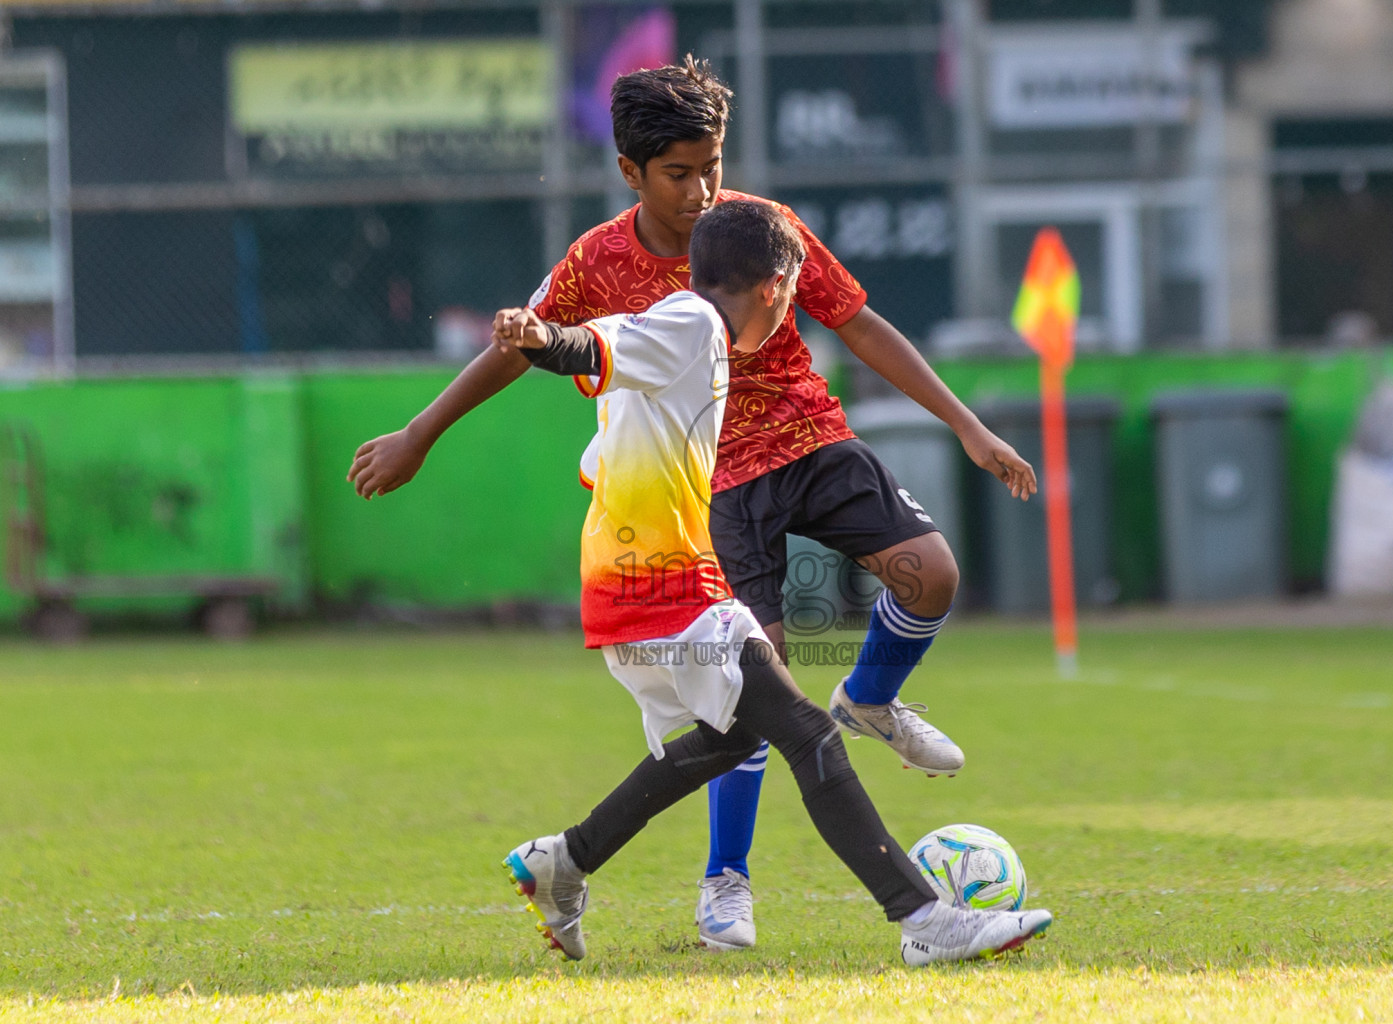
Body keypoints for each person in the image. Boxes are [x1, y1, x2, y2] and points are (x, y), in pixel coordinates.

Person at [346, 57, 1037, 953]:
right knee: (786, 722)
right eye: (680, 172)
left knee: (777, 698)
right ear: (631, 173)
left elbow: (851, 317)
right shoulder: (658, 297)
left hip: (739, 492)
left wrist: (965, 426)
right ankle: (859, 906)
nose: (704, 189)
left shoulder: (753, 237)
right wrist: (435, 420)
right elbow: (577, 344)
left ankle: (573, 856)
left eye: (713, 164)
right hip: (680, 535)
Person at [488, 199, 1051, 966]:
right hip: (658, 586)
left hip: (662, 579)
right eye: (791, 297)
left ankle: (567, 859)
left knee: (739, 734)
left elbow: (610, 361)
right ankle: (925, 919)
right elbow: (592, 345)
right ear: (776, 286)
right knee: (809, 732)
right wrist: (543, 337)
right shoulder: (690, 325)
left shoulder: (698, 330)